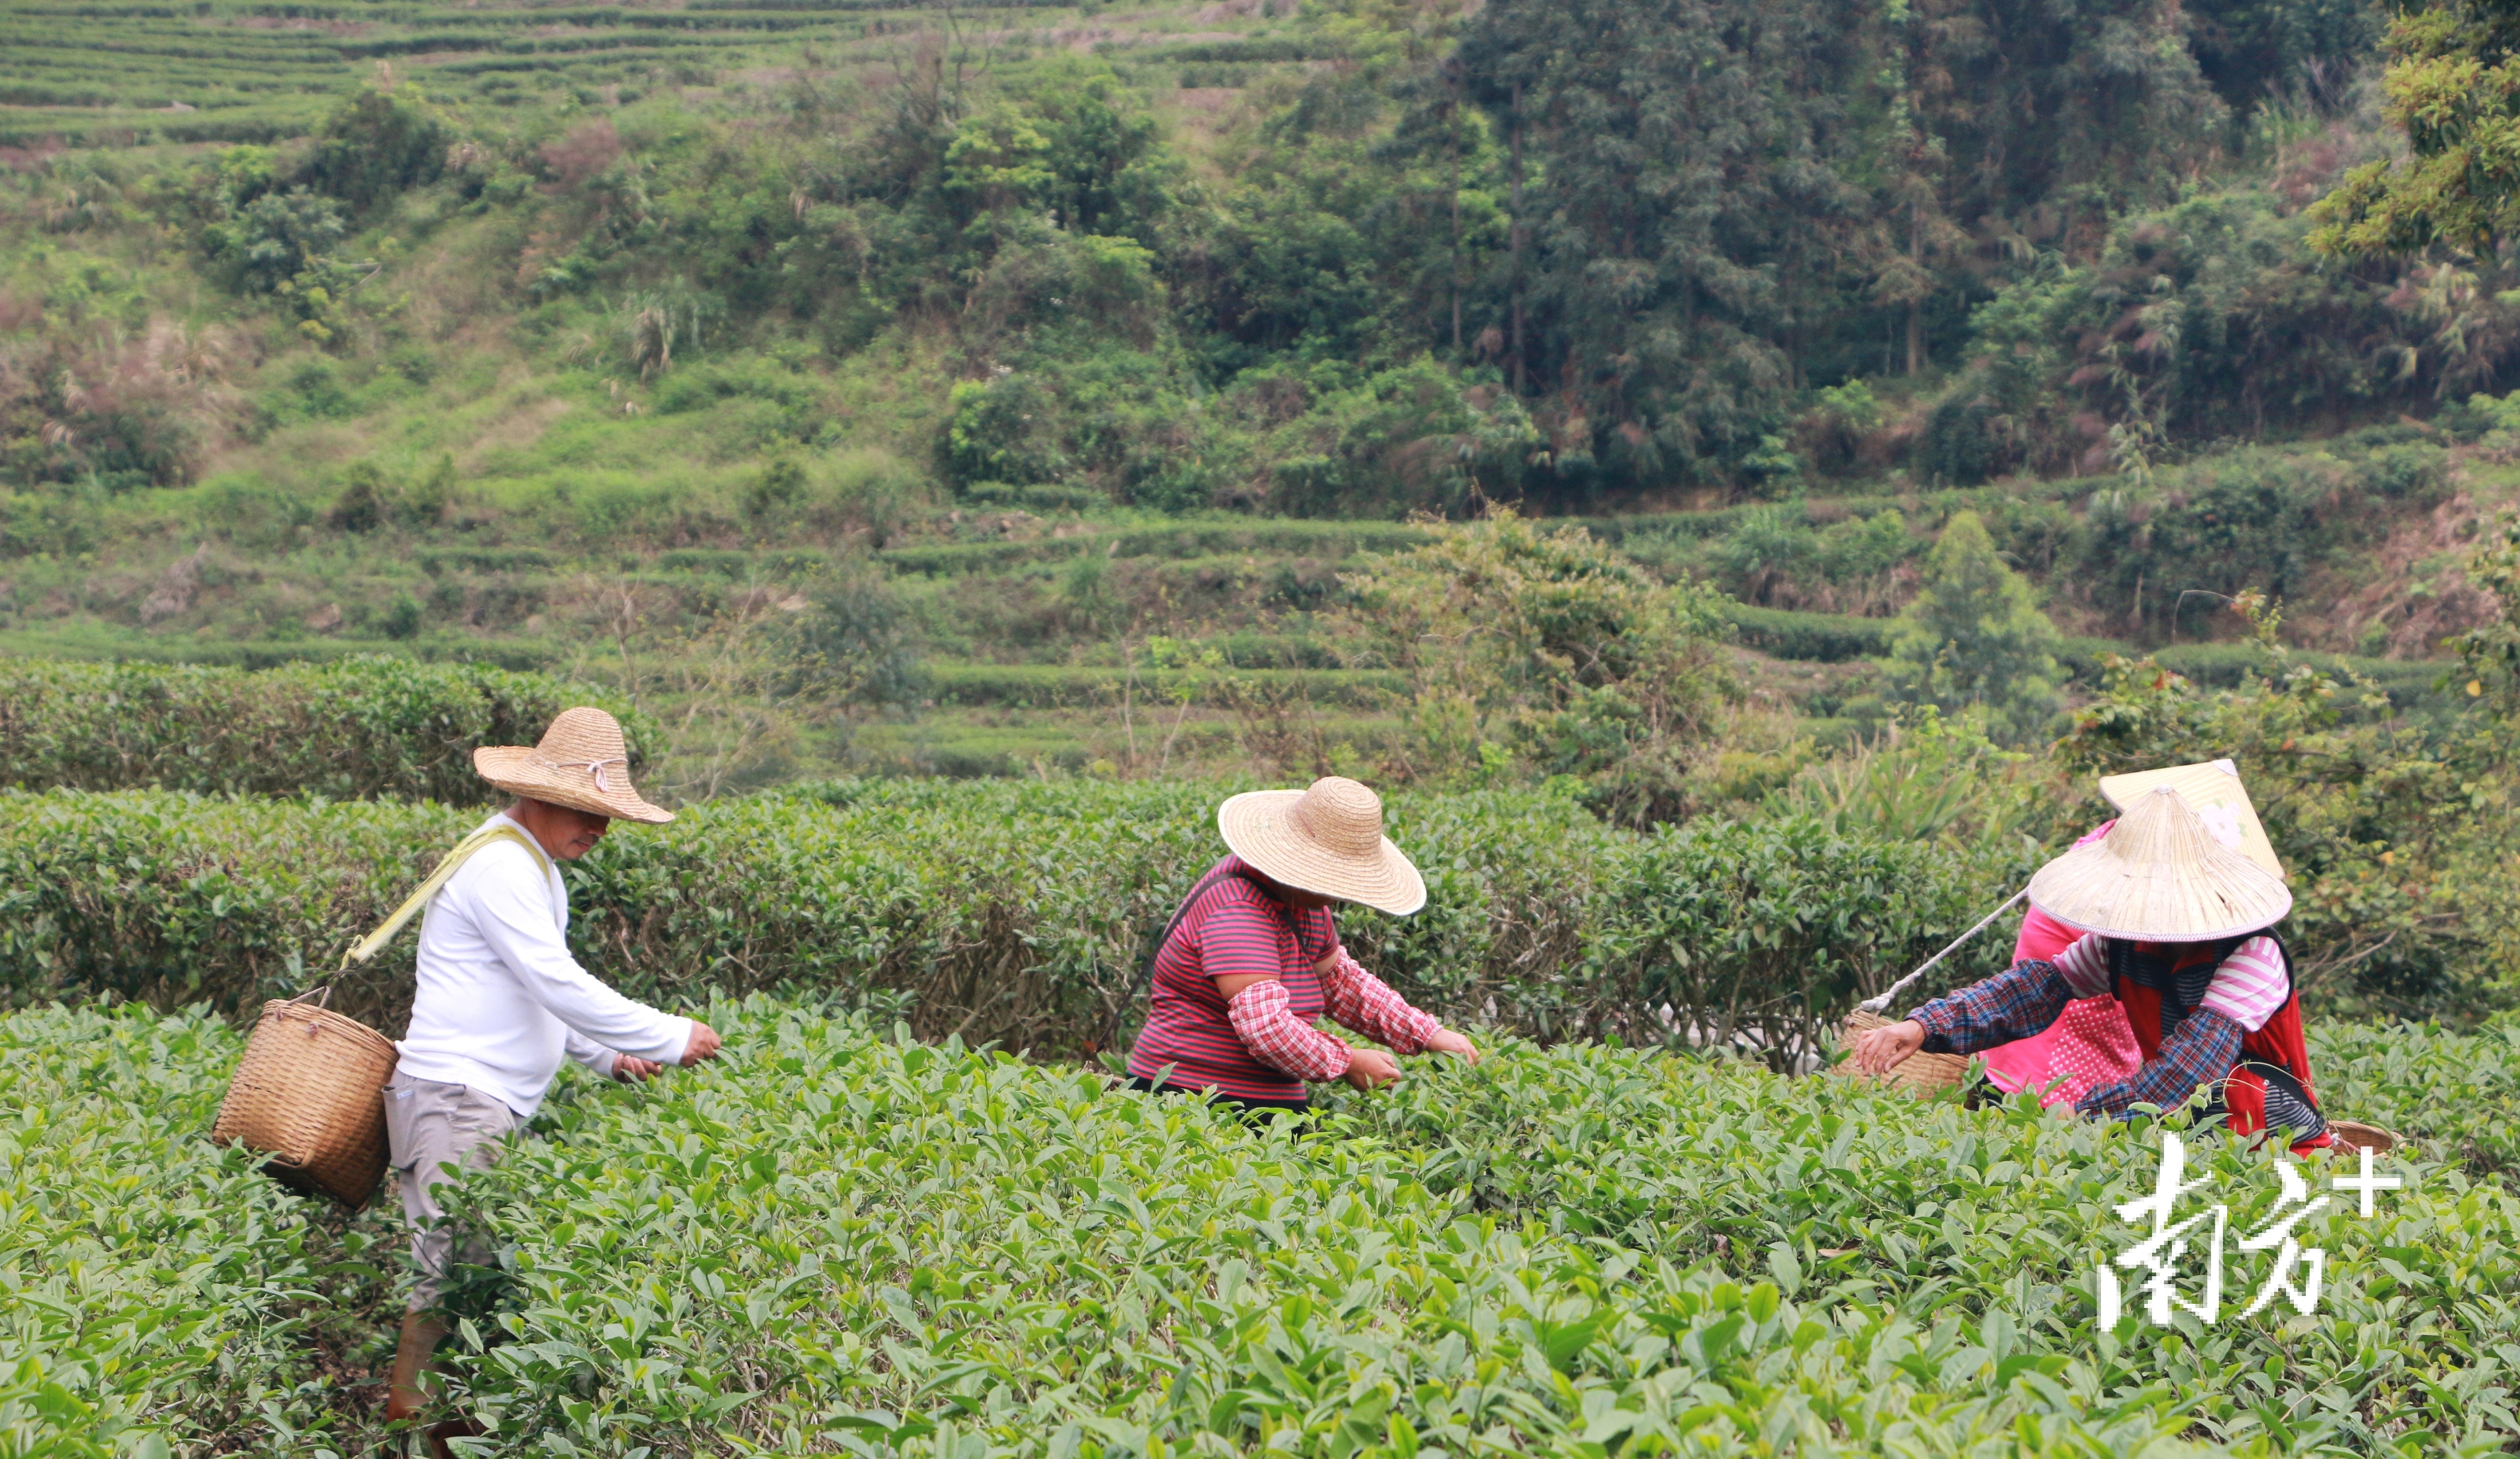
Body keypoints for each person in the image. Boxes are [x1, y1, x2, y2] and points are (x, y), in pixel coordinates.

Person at [382, 707, 724, 1442]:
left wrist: (609, 1056)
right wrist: (668, 1037)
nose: (599, 831)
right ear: (536, 795)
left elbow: (536, 994)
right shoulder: (503, 864)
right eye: (585, 811)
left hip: (472, 1103)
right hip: (457, 1103)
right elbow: (559, 982)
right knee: (453, 1285)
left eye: (606, 817)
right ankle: (420, 1440)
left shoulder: (525, 862)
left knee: (463, 1282)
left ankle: (437, 1436)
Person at [1852, 785, 2330, 1150]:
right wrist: (1924, 1025)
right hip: (2188, 1136)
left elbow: (2190, 1070)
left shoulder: (2254, 955)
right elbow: (2033, 990)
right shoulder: (2121, 945)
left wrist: (2081, 1117)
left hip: (2273, 1144)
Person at [1126, 775, 1480, 1120]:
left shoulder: (1304, 906)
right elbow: (1266, 1029)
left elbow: (1342, 984)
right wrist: (1349, 1062)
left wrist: (1426, 1033)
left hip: (1267, 1104)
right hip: (1192, 1101)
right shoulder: (1237, 908)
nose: (1342, 893)